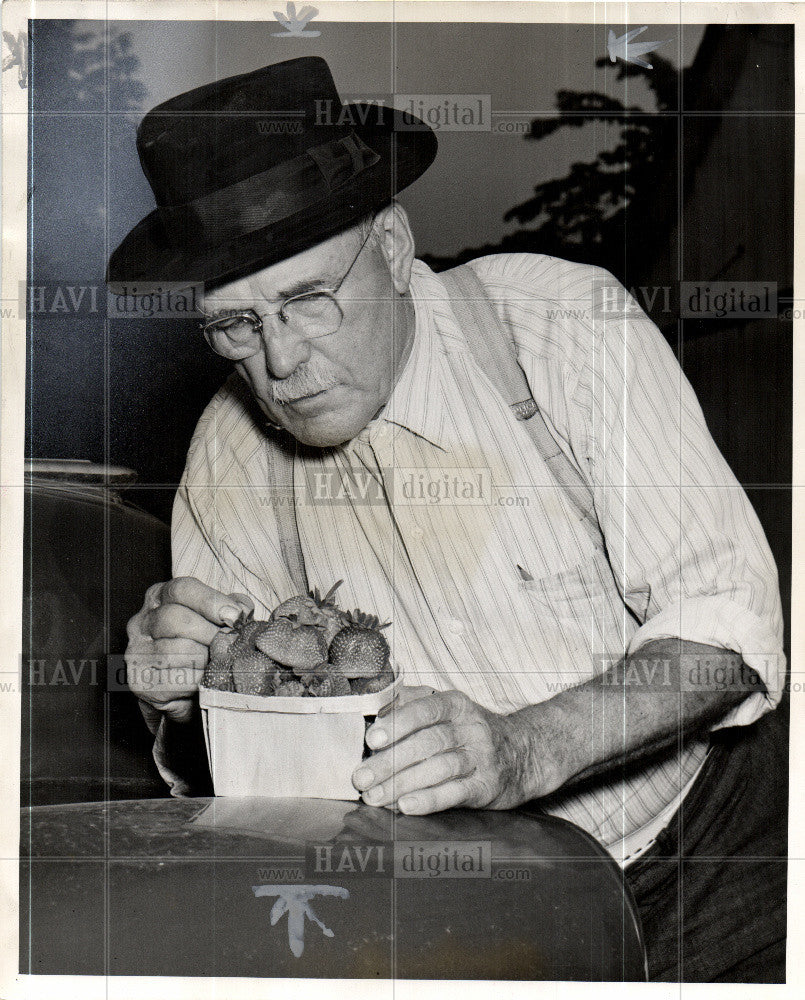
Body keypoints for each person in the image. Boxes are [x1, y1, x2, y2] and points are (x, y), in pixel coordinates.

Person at [109, 57, 788, 981]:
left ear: (390, 245)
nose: (281, 362)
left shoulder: (556, 326)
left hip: (718, 855)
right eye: (235, 326)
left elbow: (727, 627)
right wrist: (189, 703)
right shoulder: (225, 460)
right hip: (474, 908)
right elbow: (262, 793)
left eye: (309, 299)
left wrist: (520, 750)